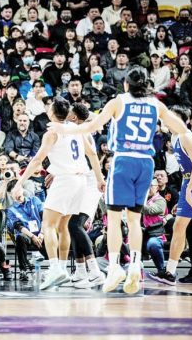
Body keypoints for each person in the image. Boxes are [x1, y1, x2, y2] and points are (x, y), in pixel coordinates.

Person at [50, 67, 189, 294]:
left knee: (114, 218)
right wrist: (162, 126)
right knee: (135, 219)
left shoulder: (119, 102)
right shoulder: (156, 105)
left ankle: (114, 267)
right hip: (147, 161)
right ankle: (135, 263)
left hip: (123, 160)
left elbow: (92, 126)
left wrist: (63, 129)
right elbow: (181, 128)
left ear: (126, 84)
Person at [14, 97, 101, 290]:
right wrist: (99, 177)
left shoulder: (52, 133)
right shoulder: (76, 129)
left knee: (49, 225)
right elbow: (92, 154)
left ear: (52, 112)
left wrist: (19, 183)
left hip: (65, 180)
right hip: (80, 181)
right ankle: (62, 268)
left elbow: (37, 160)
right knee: (64, 226)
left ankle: (54, 268)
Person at [149, 108, 192, 285]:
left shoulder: (186, 136)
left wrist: (189, 190)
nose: (167, 120)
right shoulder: (173, 137)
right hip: (189, 184)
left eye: (171, 117)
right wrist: (186, 189)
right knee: (179, 226)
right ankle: (170, 273)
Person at [65, 103, 106, 288]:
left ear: (74, 117)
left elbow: (93, 159)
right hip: (79, 180)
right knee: (71, 224)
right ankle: (80, 272)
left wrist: (99, 180)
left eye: (70, 113)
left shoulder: (82, 133)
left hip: (89, 182)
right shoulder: (73, 131)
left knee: (75, 224)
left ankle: (95, 271)